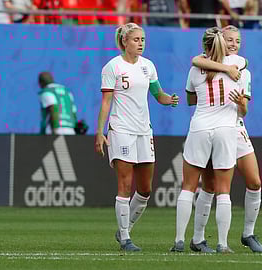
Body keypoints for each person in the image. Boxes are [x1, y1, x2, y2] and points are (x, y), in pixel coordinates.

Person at [95, 23, 179, 252]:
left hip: (144, 130)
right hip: (121, 129)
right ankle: (125, 238)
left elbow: (157, 93)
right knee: (125, 184)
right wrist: (100, 132)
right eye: (135, 40)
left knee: (145, 189)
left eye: (142, 39)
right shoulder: (112, 67)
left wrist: (168, 99)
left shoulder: (148, 66)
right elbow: (106, 102)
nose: (140, 43)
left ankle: (125, 228)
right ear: (124, 42)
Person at [188, 25, 262, 253]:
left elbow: (244, 110)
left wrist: (242, 104)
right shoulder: (205, 62)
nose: (233, 44)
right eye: (229, 40)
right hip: (214, 128)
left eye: (237, 41)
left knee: (255, 182)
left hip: (236, 129)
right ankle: (198, 238)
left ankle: (248, 233)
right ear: (220, 41)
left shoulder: (242, 68)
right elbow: (195, 62)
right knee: (210, 186)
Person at [170, 27, 246, 254]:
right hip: (225, 129)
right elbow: (242, 63)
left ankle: (179, 240)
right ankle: (222, 243)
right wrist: (225, 69)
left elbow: (190, 99)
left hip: (200, 127)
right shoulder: (236, 63)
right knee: (224, 190)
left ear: (204, 46)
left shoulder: (194, 70)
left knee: (188, 187)